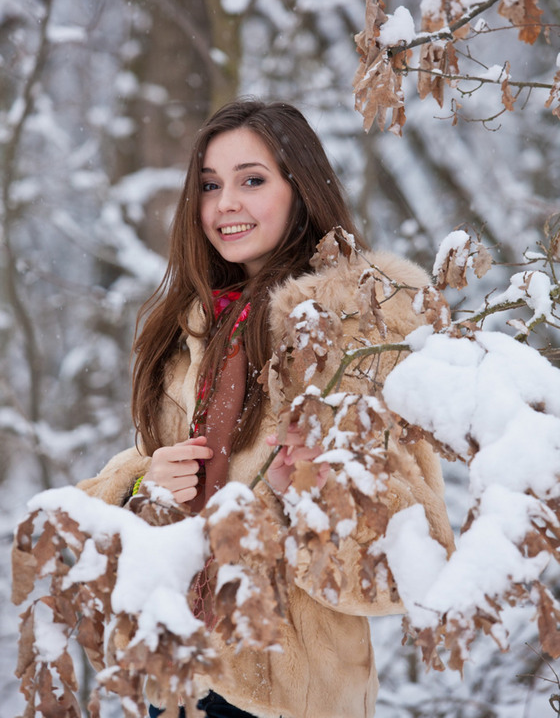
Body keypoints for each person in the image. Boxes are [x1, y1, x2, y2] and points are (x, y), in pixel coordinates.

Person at [78, 98, 454, 717]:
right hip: (173, 671)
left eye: (252, 180)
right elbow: (152, 480)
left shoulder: (359, 326)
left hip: (286, 693)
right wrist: (144, 482)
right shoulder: (190, 331)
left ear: (300, 189)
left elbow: (413, 559)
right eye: (209, 185)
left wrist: (308, 494)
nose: (226, 203)